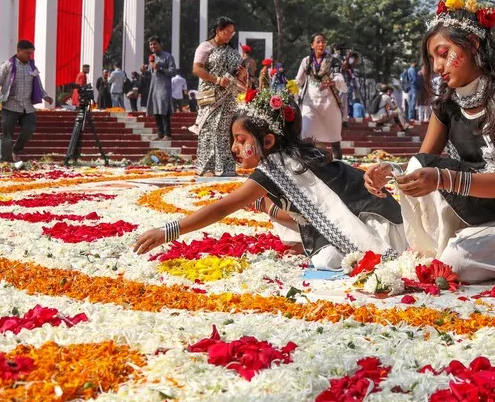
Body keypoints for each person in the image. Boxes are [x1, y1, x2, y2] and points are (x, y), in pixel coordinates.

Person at [363, 0, 495, 283]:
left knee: (453, 265)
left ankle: (452, 250)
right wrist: (392, 172)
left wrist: (441, 178)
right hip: (472, 209)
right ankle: (434, 249)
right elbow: (423, 164)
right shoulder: (447, 103)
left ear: (472, 45)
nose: (437, 67)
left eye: (443, 53)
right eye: (432, 59)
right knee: (415, 166)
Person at [133, 89, 405, 270]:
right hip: (377, 214)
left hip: (373, 223)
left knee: (328, 260)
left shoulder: (277, 167)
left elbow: (223, 207)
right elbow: (306, 216)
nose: (233, 149)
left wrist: (167, 232)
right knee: (324, 257)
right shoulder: (289, 159)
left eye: (240, 141)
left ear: (268, 141)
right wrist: (269, 209)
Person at [192, 17, 245, 178]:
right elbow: (196, 69)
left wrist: (241, 74)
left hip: (229, 96)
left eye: (232, 32)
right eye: (226, 31)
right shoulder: (205, 47)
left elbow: (239, 72)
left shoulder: (232, 51)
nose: (229, 35)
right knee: (209, 129)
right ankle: (206, 167)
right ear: (217, 30)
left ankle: (226, 167)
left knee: (225, 129)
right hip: (211, 94)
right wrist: (216, 80)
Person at [0, 40, 53, 162]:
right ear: (18, 51)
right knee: (7, 135)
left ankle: (16, 149)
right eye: (27, 53)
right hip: (10, 105)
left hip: (27, 106)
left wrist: (45, 95)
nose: (30, 56)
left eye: (31, 53)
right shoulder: (7, 66)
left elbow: (38, 84)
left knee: (30, 129)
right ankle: (6, 160)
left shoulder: (32, 66)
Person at [296, 33, 347, 161]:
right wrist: (290, 87)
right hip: (310, 102)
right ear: (312, 45)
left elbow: (338, 76)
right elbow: (299, 80)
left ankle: (339, 167)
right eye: (318, 42)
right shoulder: (306, 61)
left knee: (334, 138)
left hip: (329, 102)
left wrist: (333, 81)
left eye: (323, 42)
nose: (321, 44)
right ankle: (307, 165)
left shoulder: (333, 60)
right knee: (306, 135)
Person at [147, 36, 176, 140]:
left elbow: (173, 71)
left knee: (164, 109)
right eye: (150, 44)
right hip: (154, 86)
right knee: (156, 110)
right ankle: (160, 134)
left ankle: (167, 134)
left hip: (164, 87)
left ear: (160, 44)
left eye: (154, 44)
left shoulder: (168, 56)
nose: (152, 46)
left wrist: (160, 68)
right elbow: (151, 72)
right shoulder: (151, 58)